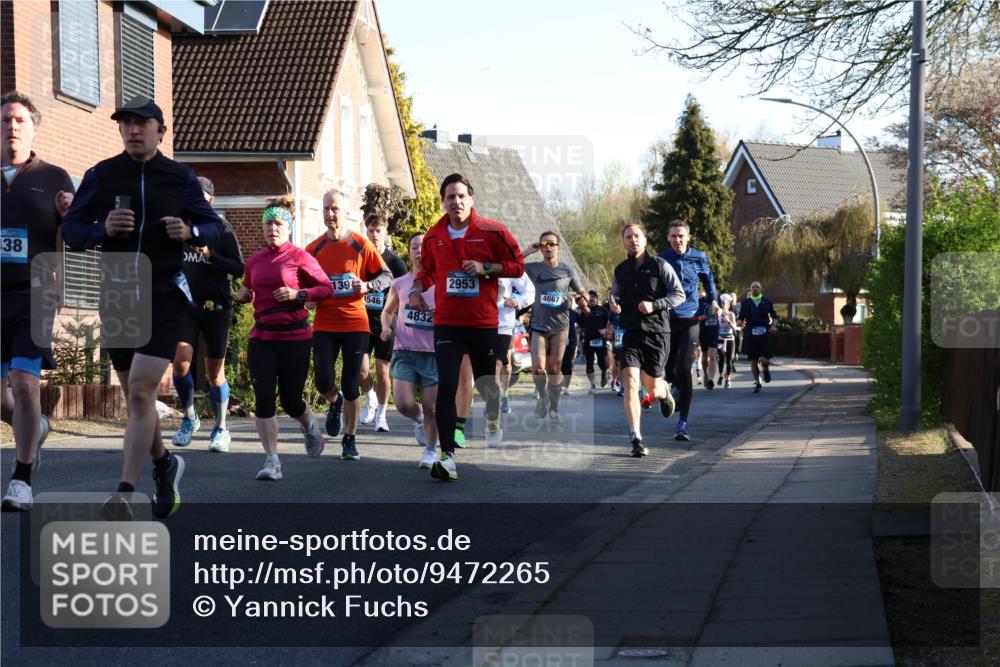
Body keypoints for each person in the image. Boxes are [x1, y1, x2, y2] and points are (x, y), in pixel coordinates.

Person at [61, 96, 223, 519]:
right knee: (137, 398)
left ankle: (124, 492)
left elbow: (214, 229)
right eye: (126, 123)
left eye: (142, 123)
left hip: (163, 291)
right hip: (117, 290)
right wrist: (102, 228)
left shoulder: (181, 178)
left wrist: (190, 230)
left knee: (140, 391)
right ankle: (165, 463)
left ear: (160, 132)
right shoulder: (101, 175)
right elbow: (71, 231)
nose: (133, 129)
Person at [408, 173, 525, 481]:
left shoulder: (492, 231)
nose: (456, 202)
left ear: (471, 198)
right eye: (450, 197)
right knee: (447, 385)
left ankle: (492, 416)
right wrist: (416, 289)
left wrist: (487, 268)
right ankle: (448, 455)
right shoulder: (434, 237)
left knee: (487, 385)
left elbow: (517, 266)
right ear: (443, 201)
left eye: (461, 196)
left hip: (483, 322)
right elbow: (428, 272)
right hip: (447, 323)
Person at [1, 91, 74, 511]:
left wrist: (71, 214)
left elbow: (77, 234)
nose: (12, 126)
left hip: (35, 294)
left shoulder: (55, 177)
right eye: (6, 119)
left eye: (19, 120)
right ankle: (39, 427)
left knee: (26, 384)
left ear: (34, 127)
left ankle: (21, 478)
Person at [235, 200, 333, 480]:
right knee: (264, 398)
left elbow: (326, 289)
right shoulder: (254, 261)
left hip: (295, 337)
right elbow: (249, 289)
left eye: (278, 223)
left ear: (288, 228)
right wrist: (244, 296)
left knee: (291, 401)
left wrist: (298, 295)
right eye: (268, 223)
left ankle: (310, 426)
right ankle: (272, 461)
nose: (272, 228)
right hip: (262, 337)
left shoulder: (300, 257)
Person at [305, 190, 392, 461]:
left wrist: (367, 285)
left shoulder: (360, 244)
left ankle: (350, 439)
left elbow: (386, 275)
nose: (331, 214)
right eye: (327, 208)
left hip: (355, 323)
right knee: (323, 382)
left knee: (352, 383)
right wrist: (307, 298)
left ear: (346, 212)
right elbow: (303, 284)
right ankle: (335, 402)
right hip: (325, 324)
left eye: (336, 209)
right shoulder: (313, 249)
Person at [170, 176, 244, 452]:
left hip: (217, 306)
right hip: (185, 304)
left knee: (214, 374)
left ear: (210, 200)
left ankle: (221, 427)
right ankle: (189, 418)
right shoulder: (179, 226)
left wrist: (211, 255)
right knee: (180, 361)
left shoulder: (221, 228)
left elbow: (239, 268)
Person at [612, 223, 685, 458]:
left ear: (645, 239)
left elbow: (679, 294)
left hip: (656, 333)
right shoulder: (620, 270)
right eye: (628, 237)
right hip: (629, 331)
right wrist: (614, 305)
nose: (633, 240)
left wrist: (655, 305)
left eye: (636, 236)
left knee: (651, 384)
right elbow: (615, 296)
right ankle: (636, 437)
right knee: (631, 381)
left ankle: (663, 392)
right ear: (623, 242)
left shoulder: (660, 265)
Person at [380, 232, 439, 469]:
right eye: (414, 246)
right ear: (409, 251)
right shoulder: (400, 283)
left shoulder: (441, 282)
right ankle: (421, 420)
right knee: (403, 404)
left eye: (423, 246)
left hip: (433, 354)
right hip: (404, 350)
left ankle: (431, 450)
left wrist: (440, 314)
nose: (419, 250)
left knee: (431, 405)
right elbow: (387, 311)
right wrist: (385, 328)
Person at [658, 219, 719, 441]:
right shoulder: (662, 259)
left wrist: (713, 301)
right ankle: (673, 387)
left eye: (681, 236)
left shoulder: (699, 257)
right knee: (669, 366)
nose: (677, 240)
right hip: (667, 319)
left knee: (685, 365)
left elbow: (709, 281)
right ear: (668, 238)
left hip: (691, 318)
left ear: (688, 237)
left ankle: (682, 423)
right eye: (673, 236)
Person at [523, 232, 589, 421]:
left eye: (552, 244)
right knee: (537, 368)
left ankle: (554, 408)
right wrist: (528, 251)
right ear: (541, 247)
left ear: (558, 247)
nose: (548, 247)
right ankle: (542, 397)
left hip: (560, 327)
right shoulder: (533, 268)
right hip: (538, 325)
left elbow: (581, 289)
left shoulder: (567, 271)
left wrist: (583, 300)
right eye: (544, 244)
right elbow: (512, 265)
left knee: (554, 369)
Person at [359, 213, 408, 432]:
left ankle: (381, 414)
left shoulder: (395, 262)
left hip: (386, 322)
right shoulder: (360, 258)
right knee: (361, 370)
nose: (375, 235)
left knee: (382, 371)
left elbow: (406, 292)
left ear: (385, 232)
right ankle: (370, 398)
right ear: (366, 232)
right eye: (371, 230)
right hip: (361, 320)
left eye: (378, 230)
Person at [497, 272, 534, 413]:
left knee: (504, 362)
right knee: (489, 365)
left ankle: (504, 394)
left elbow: (529, 292)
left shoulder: (509, 265)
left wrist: (517, 301)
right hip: (479, 322)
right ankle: (492, 403)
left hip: (504, 323)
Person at [738, 281, 778, 393]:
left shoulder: (767, 302)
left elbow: (774, 317)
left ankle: (765, 369)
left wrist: (773, 326)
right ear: (750, 290)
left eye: (757, 287)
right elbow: (741, 317)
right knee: (754, 360)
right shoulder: (746, 303)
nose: (755, 288)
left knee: (763, 358)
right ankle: (758, 382)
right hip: (751, 333)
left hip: (764, 333)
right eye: (753, 287)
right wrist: (739, 322)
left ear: (761, 289)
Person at [578, 290, 611, 393]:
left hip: (601, 340)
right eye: (590, 298)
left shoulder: (603, 310)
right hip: (588, 340)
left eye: (594, 298)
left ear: (597, 299)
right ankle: (592, 386)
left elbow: (610, 322)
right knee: (589, 363)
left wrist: (606, 330)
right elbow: (580, 325)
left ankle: (604, 372)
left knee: (602, 363)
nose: (592, 300)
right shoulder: (583, 311)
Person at [697, 287, 720, 390]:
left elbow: (721, 311)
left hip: (714, 331)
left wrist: (718, 310)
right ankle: (705, 374)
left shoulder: (716, 300)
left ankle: (710, 379)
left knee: (713, 355)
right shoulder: (698, 302)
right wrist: (701, 317)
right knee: (704, 356)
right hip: (703, 331)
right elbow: (694, 316)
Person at [716, 293, 738, 388]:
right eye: (722, 303)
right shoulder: (719, 314)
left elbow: (735, 328)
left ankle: (727, 379)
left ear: (729, 304)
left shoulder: (731, 314)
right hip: (720, 339)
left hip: (730, 339)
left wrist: (729, 322)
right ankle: (721, 375)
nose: (723, 305)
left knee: (729, 361)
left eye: (725, 303)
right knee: (721, 358)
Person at [559, 306, 580, 396]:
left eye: (569, 299)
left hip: (570, 341)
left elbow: (582, 322)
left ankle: (566, 387)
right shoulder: (556, 310)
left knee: (567, 365)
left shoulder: (574, 313)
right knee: (556, 364)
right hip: (557, 340)